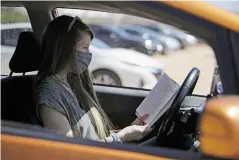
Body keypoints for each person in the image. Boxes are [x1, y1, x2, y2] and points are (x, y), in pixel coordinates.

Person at [36, 15, 153, 143]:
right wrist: (123, 136)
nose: (89, 54)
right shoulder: (49, 94)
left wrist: (129, 130)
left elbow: (94, 139)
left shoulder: (72, 83)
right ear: (66, 48)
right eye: (85, 47)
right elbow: (69, 152)